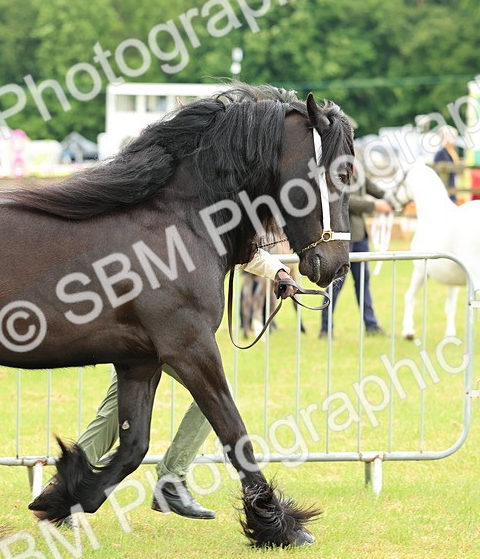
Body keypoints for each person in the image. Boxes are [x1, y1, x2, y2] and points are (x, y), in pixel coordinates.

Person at [45, 246, 300, 520]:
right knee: (211, 399)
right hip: (156, 324)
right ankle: (169, 481)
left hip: (155, 323)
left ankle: (62, 489)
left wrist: (279, 271)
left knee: (117, 412)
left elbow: (233, 242)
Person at [320, 165, 391, 338]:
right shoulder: (333, 169)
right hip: (343, 236)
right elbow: (345, 200)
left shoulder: (356, 167)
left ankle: (371, 325)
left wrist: (393, 199)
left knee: (363, 281)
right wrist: (374, 205)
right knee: (337, 283)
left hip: (360, 236)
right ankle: (325, 328)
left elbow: (373, 188)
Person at [432, 127, 462, 201]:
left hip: (450, 191)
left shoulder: (450, 152)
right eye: (453, 137)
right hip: (445, 194)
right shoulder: (441, 153)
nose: (455, 140)